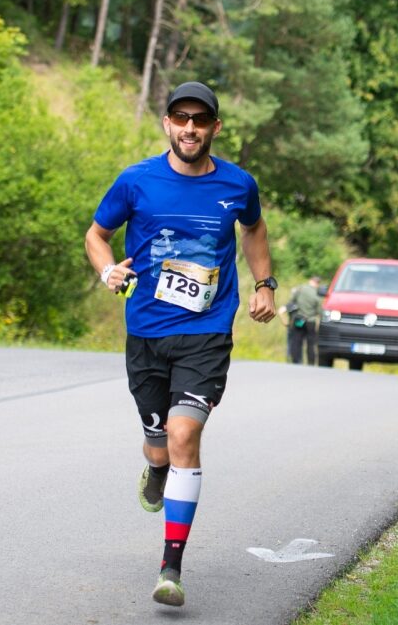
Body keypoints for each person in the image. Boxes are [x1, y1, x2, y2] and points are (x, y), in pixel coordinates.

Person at [84, 81, 277, 608]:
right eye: (180, 118)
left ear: (215, 127)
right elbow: (96, 235)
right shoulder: (136, 180)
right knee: (159, 443)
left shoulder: (238, 184)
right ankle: (159, 464)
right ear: (167, 124)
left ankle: (171, 567)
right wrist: (108, 272)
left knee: (184, 431)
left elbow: (254, 230)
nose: (189, 127)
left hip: (207, 331)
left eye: (200, 119)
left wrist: (264, 284)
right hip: (146, 331)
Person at [283, 276, 321, 365]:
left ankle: (296, 361)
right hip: (310, 321)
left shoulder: (300, 289)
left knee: (296, 340)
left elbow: (292, 301)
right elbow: (319, 310)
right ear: (317, 283)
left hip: (299, 319)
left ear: (310, 281)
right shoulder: (317, 293)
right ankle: (311, 363)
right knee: (311, 343)